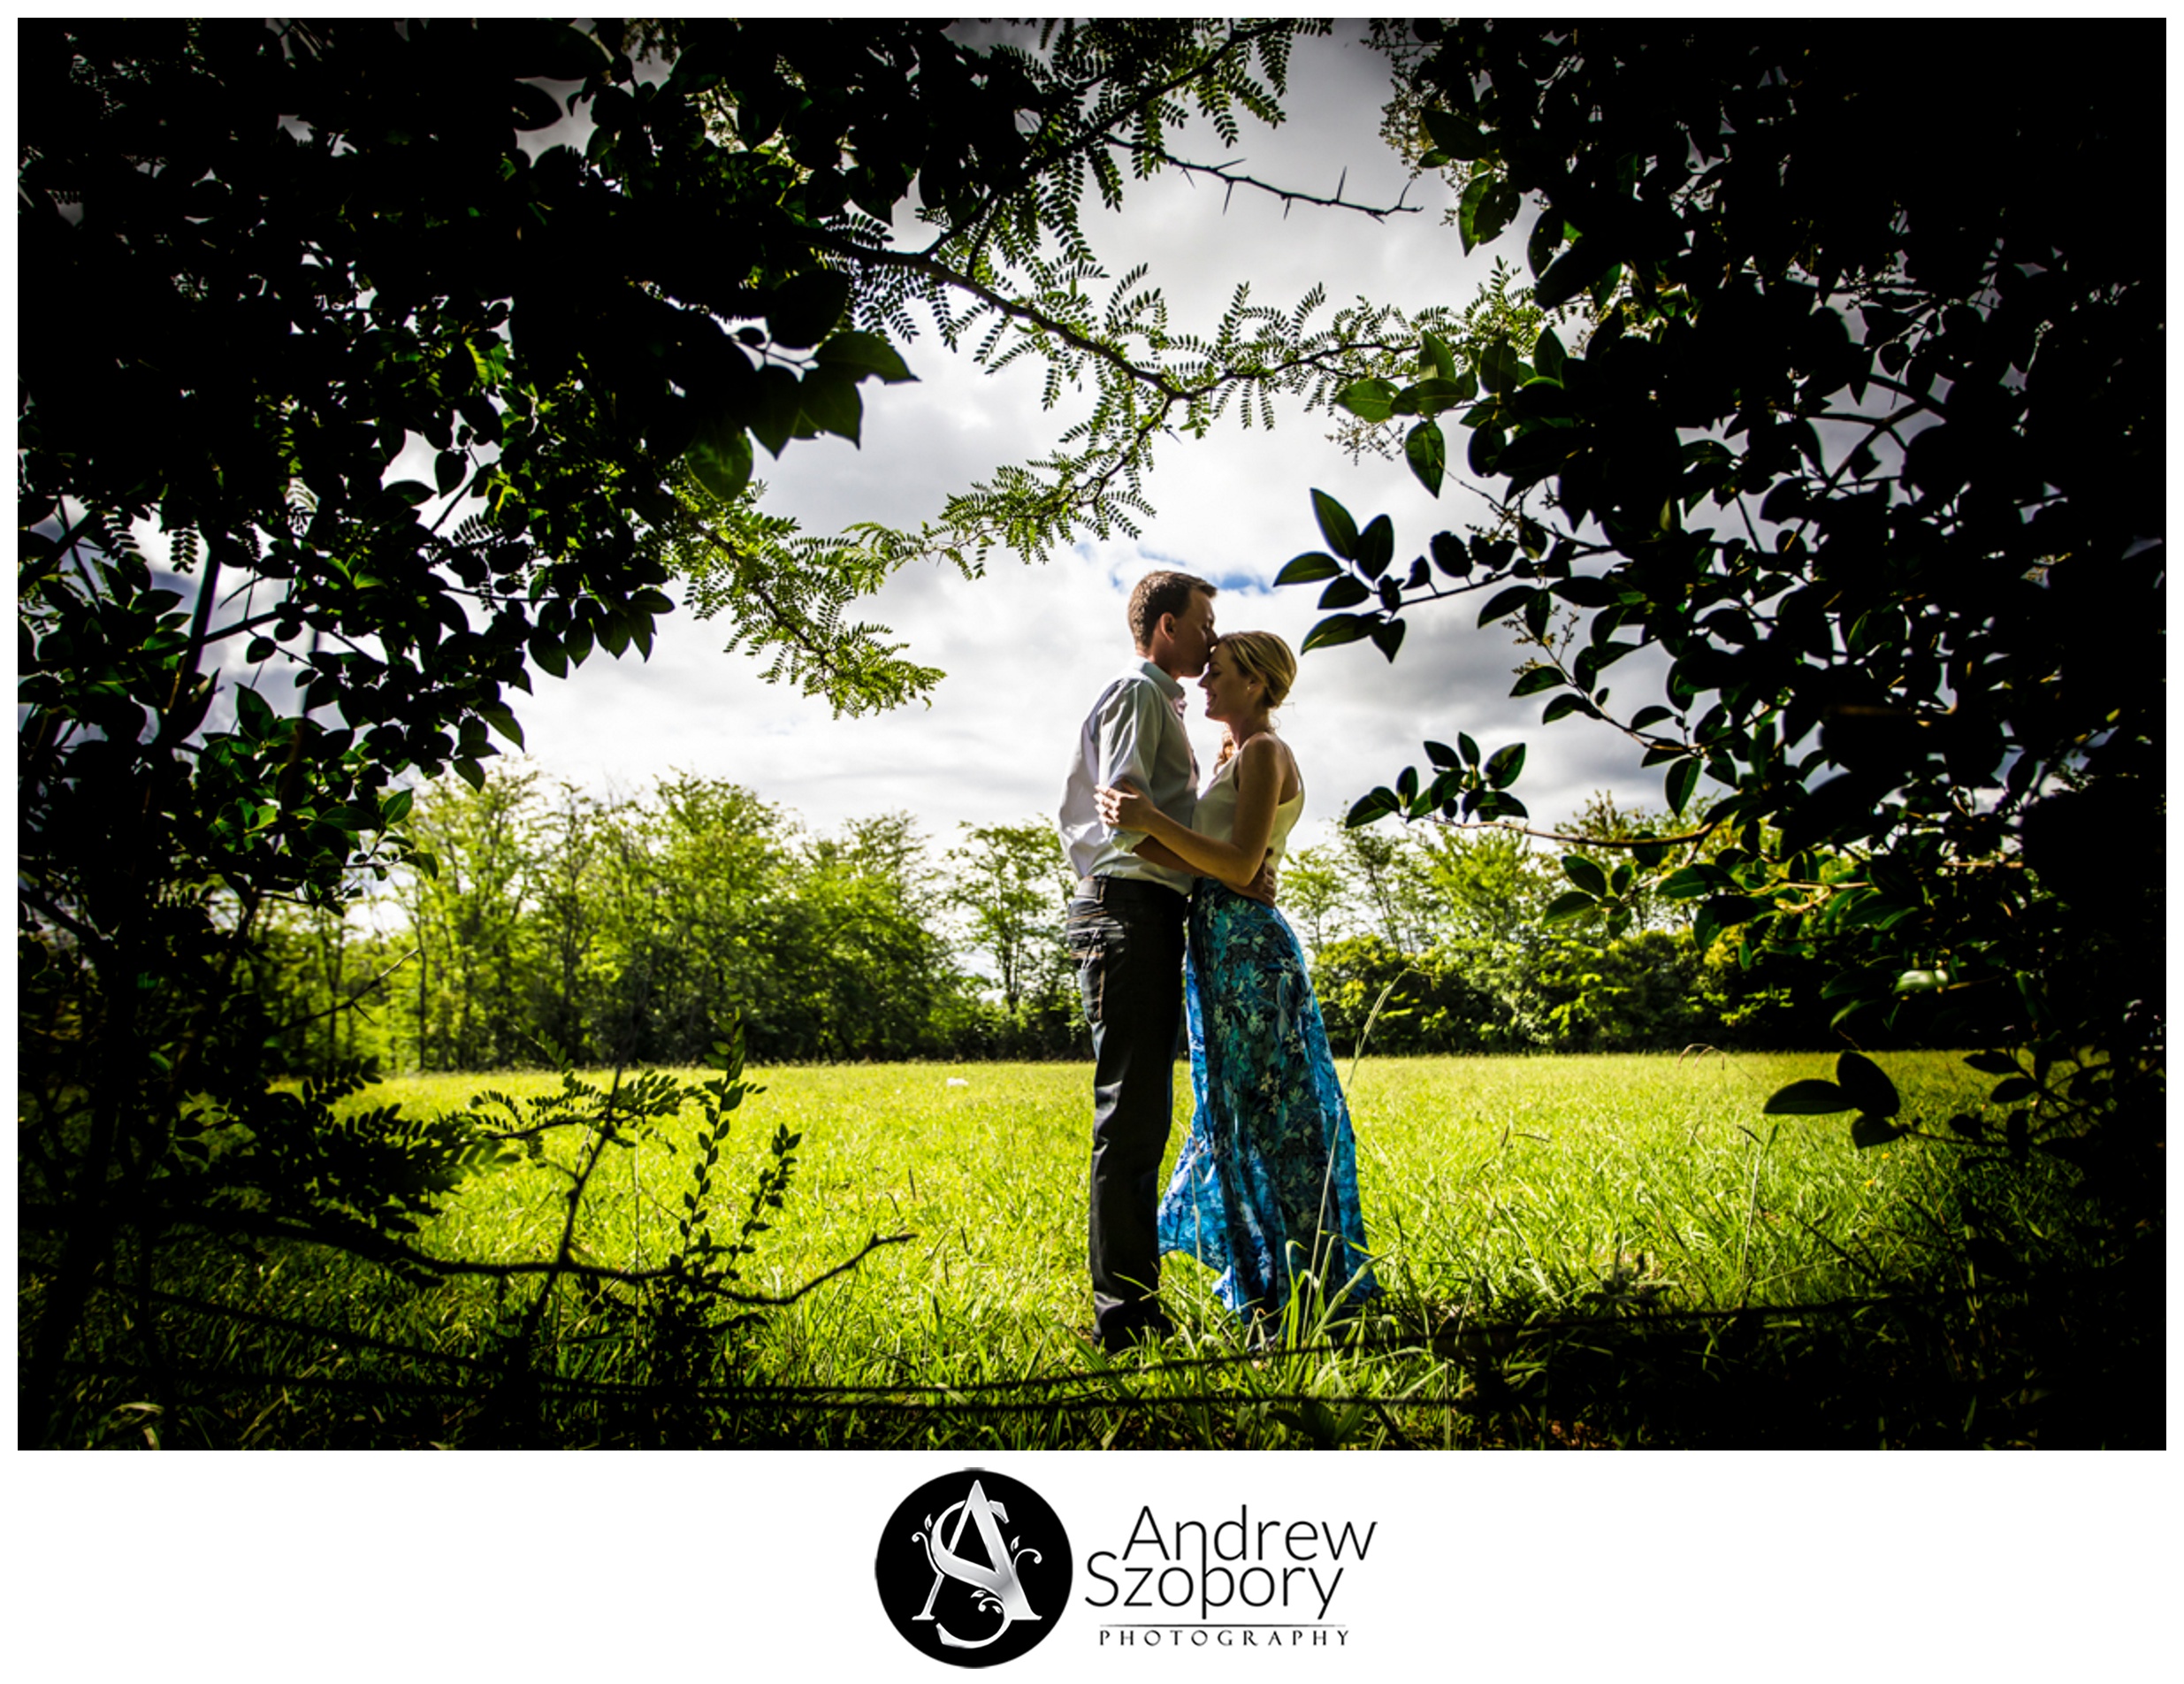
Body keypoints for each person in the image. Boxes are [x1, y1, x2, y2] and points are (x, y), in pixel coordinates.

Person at [1096, 631, 1378, 1331]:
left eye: (1219, 674)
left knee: (1273, 1117)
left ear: (1256, 683)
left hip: (1249, 949)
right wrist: (1132, 833)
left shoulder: (1265, 751)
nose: (1205, 685)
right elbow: (1213, 863)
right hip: (1215, 939)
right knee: (1234, 1114)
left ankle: (1304, 1294)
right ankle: (1265, 1291)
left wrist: (1148, 822)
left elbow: (1243, 863)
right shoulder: (1233, 755)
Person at [1058, 570, 1219, 1352]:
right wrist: (1215, 866)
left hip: (1147, 910)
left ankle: (1133, 1306)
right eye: (1203, 622)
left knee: (1144, 1113)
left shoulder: (1164, 700)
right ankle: (1122, 1322)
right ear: (1164, 627)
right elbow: (1124, 816)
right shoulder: (1139, 691)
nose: (1212, 636)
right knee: (1130, 1117)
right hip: (1126, 906)